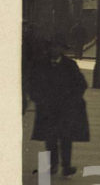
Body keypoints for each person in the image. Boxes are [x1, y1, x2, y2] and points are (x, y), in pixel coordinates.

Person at [30, 42, 89, 177]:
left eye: (57, 47)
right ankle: (53, 164)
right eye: (52, 47)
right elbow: (33, 83)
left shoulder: (70, 65)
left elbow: (81, 84)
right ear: (48, 49)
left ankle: (66, 166)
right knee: (50, 138)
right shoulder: (40, 64)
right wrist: (38, 99)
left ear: (62, 49)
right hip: (47, 107)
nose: (54, 49)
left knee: (66, 137)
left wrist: (73, 99)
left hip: (66, 108)